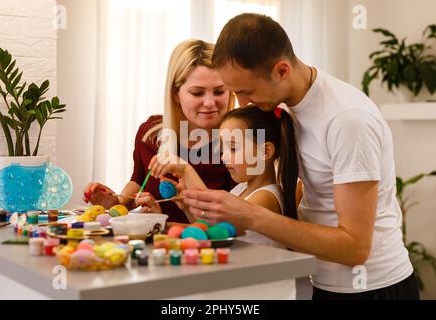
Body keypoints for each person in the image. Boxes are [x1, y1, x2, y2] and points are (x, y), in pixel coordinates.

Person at [182, 13, 419, 300]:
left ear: (282, 70)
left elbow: (355, 248)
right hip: (323, 282)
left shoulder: (347, 120)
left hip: (372, 289)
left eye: (247, 92)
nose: (243, 102)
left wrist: (251, 215)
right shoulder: (291, 106)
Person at [150, 105, 299, 299]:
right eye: (223, 148)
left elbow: (217, 230)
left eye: (233, 148)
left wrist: (187, 170)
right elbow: (207, 227)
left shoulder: (266, 198)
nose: (224, 156)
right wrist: (184, 207)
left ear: (265, 151)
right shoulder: (240, 190)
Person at [83, 39, 236, 223]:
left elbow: (225, 221)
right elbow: (139, 181)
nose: (210, 102)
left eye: (219, 91)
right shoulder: (150, 135)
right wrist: (115, 203)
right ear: (175, 94)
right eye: (197, 93)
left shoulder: (237, 145)